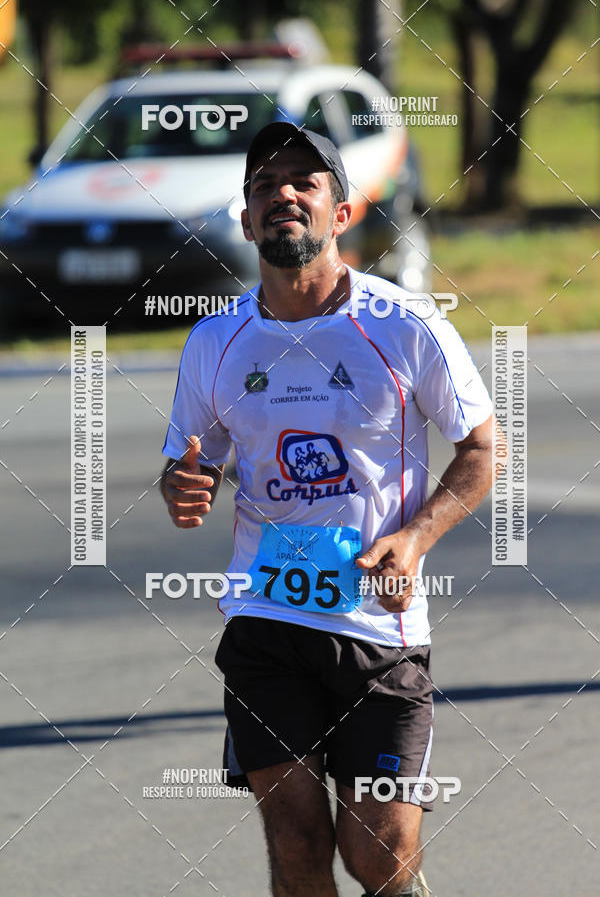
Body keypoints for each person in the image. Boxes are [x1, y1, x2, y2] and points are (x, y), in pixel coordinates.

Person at [160, 122, 498, 897]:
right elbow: (192, 465)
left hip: (379, 630)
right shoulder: (216, 341)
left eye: (304, 182)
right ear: (245, 221)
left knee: (377, 853)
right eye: (263, 185)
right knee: (296, 838)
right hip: (265, 625)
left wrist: (414, 539)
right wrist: (183, 488)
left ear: (340, 214)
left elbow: (481, 449)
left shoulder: (404, 327)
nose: (282, 193)